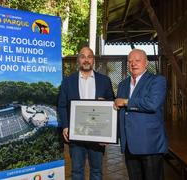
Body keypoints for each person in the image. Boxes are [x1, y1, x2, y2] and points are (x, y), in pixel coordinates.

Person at [58, 46, 114, 180]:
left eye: (89, 56)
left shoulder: (104, 81)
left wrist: (108, 134)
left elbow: (112, 105)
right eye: (83, 56)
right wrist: (65, 126)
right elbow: (61, 105)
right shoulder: (67, 81)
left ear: (93, 60)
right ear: (78, 60)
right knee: (76, 171)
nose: (86, 60)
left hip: (97, 135)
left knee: (97, 171)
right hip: (76, 134)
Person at [114, 49, 168, 180]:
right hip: (129, 146)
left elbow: (152, 104)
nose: (133, 64)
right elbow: (119, 111)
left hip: (150, 144)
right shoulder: (122, 85)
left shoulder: (157, 81)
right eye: (130, 61)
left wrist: (126, 102)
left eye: (137, 60)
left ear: (146, 63)